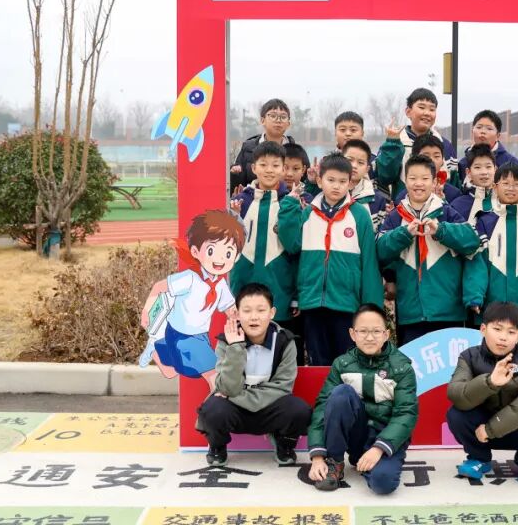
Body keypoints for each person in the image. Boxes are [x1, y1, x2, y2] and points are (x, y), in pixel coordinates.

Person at [277, 154, 383, 366]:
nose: (336, 186)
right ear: (319, 181)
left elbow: (369, 264)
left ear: (350, 183)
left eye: (343, 181)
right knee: (318, 362)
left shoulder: (359, 215)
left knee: (348, 362)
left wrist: (371, 308)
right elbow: (292, 245)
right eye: (331, 180)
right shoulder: (308, 212)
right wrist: (289, 206)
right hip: (313, 302)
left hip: (347, 304)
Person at [196, 284, 312, 467]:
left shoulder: (285, 341)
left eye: (261, 310)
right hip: (235, 411)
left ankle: (284, 443)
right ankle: (217, 447)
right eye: (247, 310)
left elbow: (283, 387)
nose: (254, 317)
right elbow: (226, 387)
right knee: (212, 409)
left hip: (268, 408)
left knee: (299, 410)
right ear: (237, 313)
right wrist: (235, 348)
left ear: (272, 313)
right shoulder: (226, 341)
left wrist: (238, 396)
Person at [306, 304, 418, 494]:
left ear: (386, 334)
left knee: (383, 484)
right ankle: (335, 462)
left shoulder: (402, 367)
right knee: (341, 394)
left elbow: (406, 413)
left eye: (376, 331)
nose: (369, 337)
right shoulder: (342, 364)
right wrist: (317, 457)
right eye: (363, 331)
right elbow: (322, 408)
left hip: (385, 437)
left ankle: (369, 461)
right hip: (357, 435)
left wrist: (379, 449)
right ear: (352, 334)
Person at [445, 301, 518, 485]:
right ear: (483, 329)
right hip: (480, 433)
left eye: (511, 332)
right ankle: (478, 459)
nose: (503, 337)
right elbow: (456, 394)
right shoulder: (469, 357)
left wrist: (491, 429)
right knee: (456, 414)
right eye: (497, 329)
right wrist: (489, 383)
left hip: (507, 429)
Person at [377, 154, 480, 345]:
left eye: (425, 178)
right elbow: (380, 251)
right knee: (412, 362)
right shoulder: (395, 216)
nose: (418, 183)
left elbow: (472, 241)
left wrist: (441, 230)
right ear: (405, 181)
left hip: (448, 312)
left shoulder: (446, 212)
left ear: (434, 182)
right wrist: (404, 233)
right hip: (411, 313)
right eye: (413, 178)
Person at [140, 211, 244, 385]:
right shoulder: (190, 278)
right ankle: (215, 404)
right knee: (214, 376)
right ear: (195, 251)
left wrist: (244, 319)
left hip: (199, 335)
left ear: (236, 257)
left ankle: (157, 349)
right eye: (211, 250)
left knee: (172, 372)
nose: (220, 259)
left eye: (228, 253)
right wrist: (146, 311)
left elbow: (229, 308)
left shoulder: (220, 284)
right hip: (180, 335)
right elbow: (159, 287)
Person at [229, 141, 303, 362]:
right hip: (245, 293)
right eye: (263, 164)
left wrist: (296, 297)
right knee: (247, 357)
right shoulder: (240, 202)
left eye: (275, 165)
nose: (269, 170)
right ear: (254, 168)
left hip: (280, 294)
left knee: (281, 354)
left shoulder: (290, 202)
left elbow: (296, 250)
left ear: (283, 168)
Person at [464, 162, 518, 330]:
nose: (511, 188)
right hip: (491, 307)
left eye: (516, 184)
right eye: (505, 183)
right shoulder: (485, 221)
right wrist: (474, 296)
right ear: (495, 186)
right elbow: (477, 264)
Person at [376, 88, 458, 198]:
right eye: (421, 107)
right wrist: (392, 143)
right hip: (403, 204)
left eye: (432, 109)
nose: (427, 113)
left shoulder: (445, 145)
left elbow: (454, 183)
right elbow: (384, 177)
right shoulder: (394, 143)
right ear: (408, 112)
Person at [458, 110, 518, 208]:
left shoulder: (511, 162)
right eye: (479, 127)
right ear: (472, 131)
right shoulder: (463, 163)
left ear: (498, 136)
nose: (483, 131)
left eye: (489, 128)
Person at [231, 99, 295, 192]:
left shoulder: (295, 151)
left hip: (286, 199)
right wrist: (234, 174)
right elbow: (237, 183)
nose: (278, 120)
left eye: (283, 117)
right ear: (262, 120)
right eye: (273, 116)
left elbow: (303, 182)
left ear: (288, 123)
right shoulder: (249, 148)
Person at [342, 139, 390, 232]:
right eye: (349, 160)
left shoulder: (377, 199)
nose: (354, 165)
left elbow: (379, 234)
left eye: (360, 162)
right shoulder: (331, 192)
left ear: (367, 169)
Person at [451, 143, 497, 224]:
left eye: (488, 167)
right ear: (468, 172)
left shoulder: (504, 202)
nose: (484, 172)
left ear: (495, 170)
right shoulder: (457, 206)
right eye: (477, 167)